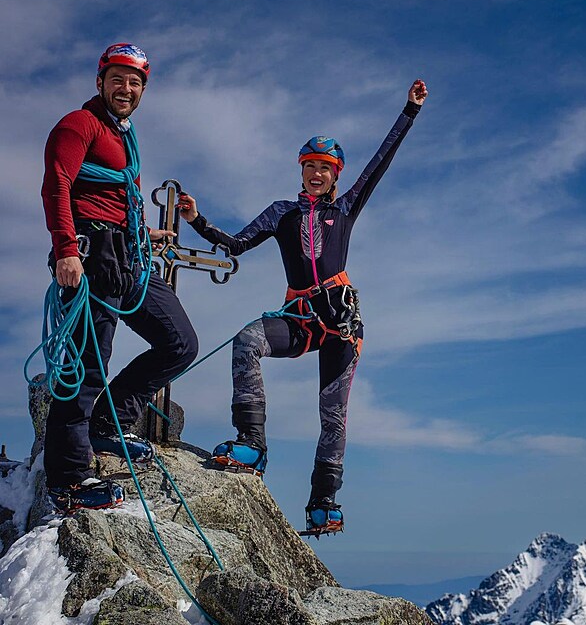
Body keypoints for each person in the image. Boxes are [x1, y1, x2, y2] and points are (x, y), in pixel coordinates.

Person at [178, 79, 427, 534]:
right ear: (301, 170)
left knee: (332, 414)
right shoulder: (281, 213)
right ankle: (252, 445)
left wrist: (408, 112)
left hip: (342, 324)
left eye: (325, 167)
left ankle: (323, 502)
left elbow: (380, 163)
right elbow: (235, 245)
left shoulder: (346, 208)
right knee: (247, 341)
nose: (316, 173)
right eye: (309, 165)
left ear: (336, 174)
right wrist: (198, 221)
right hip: (300, 319)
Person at [41, 43, 199, 511]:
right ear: (100, 82)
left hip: (127, 255)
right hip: (90, 260)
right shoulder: (79, 124)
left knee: (180, 342)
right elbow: (57, 184)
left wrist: (142, 231)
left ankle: (108, 424)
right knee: (85, 368)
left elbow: (111, 194)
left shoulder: (122, 135)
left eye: (134, 82)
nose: (125, 88)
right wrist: (66, 250)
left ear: (143, 90)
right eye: (117, 79)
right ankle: (69, 481)